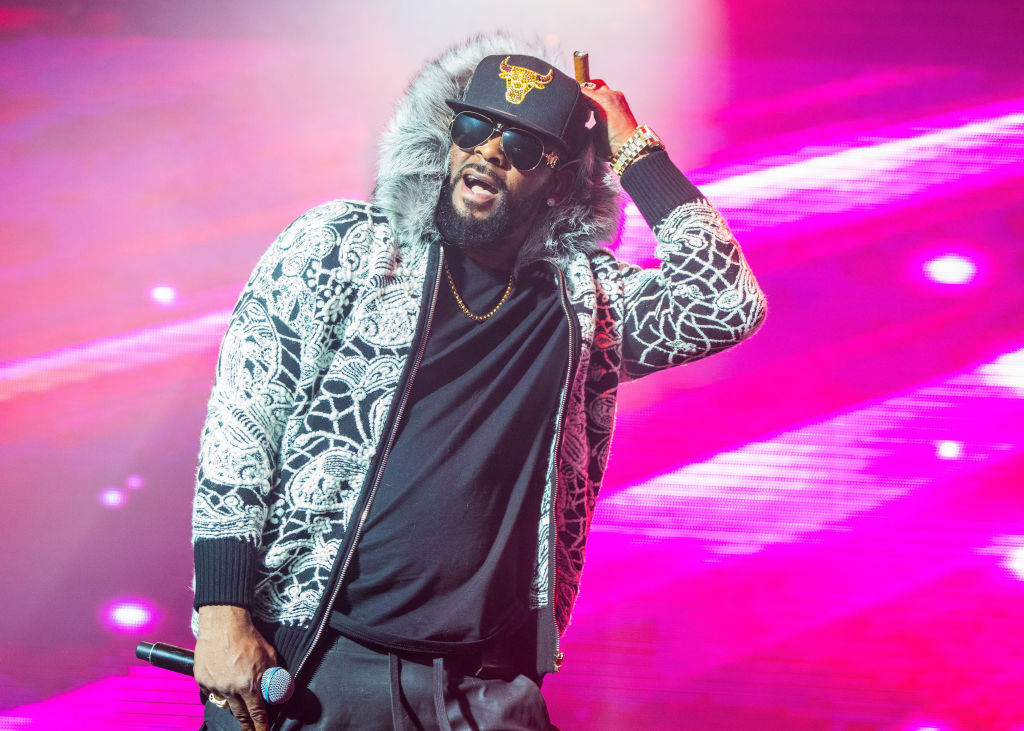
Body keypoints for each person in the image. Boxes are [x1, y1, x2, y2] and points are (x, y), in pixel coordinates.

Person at [190, 35, 766, 731]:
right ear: (448, 138)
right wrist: (220, 610)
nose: (490, 150)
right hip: (319, 659)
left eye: (522, 146)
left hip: (484, 687)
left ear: (558, 181)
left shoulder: (586, 304)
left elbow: (726, 303)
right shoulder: (343, 247)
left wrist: (631, 146)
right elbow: (243, 420)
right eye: (475, 127)